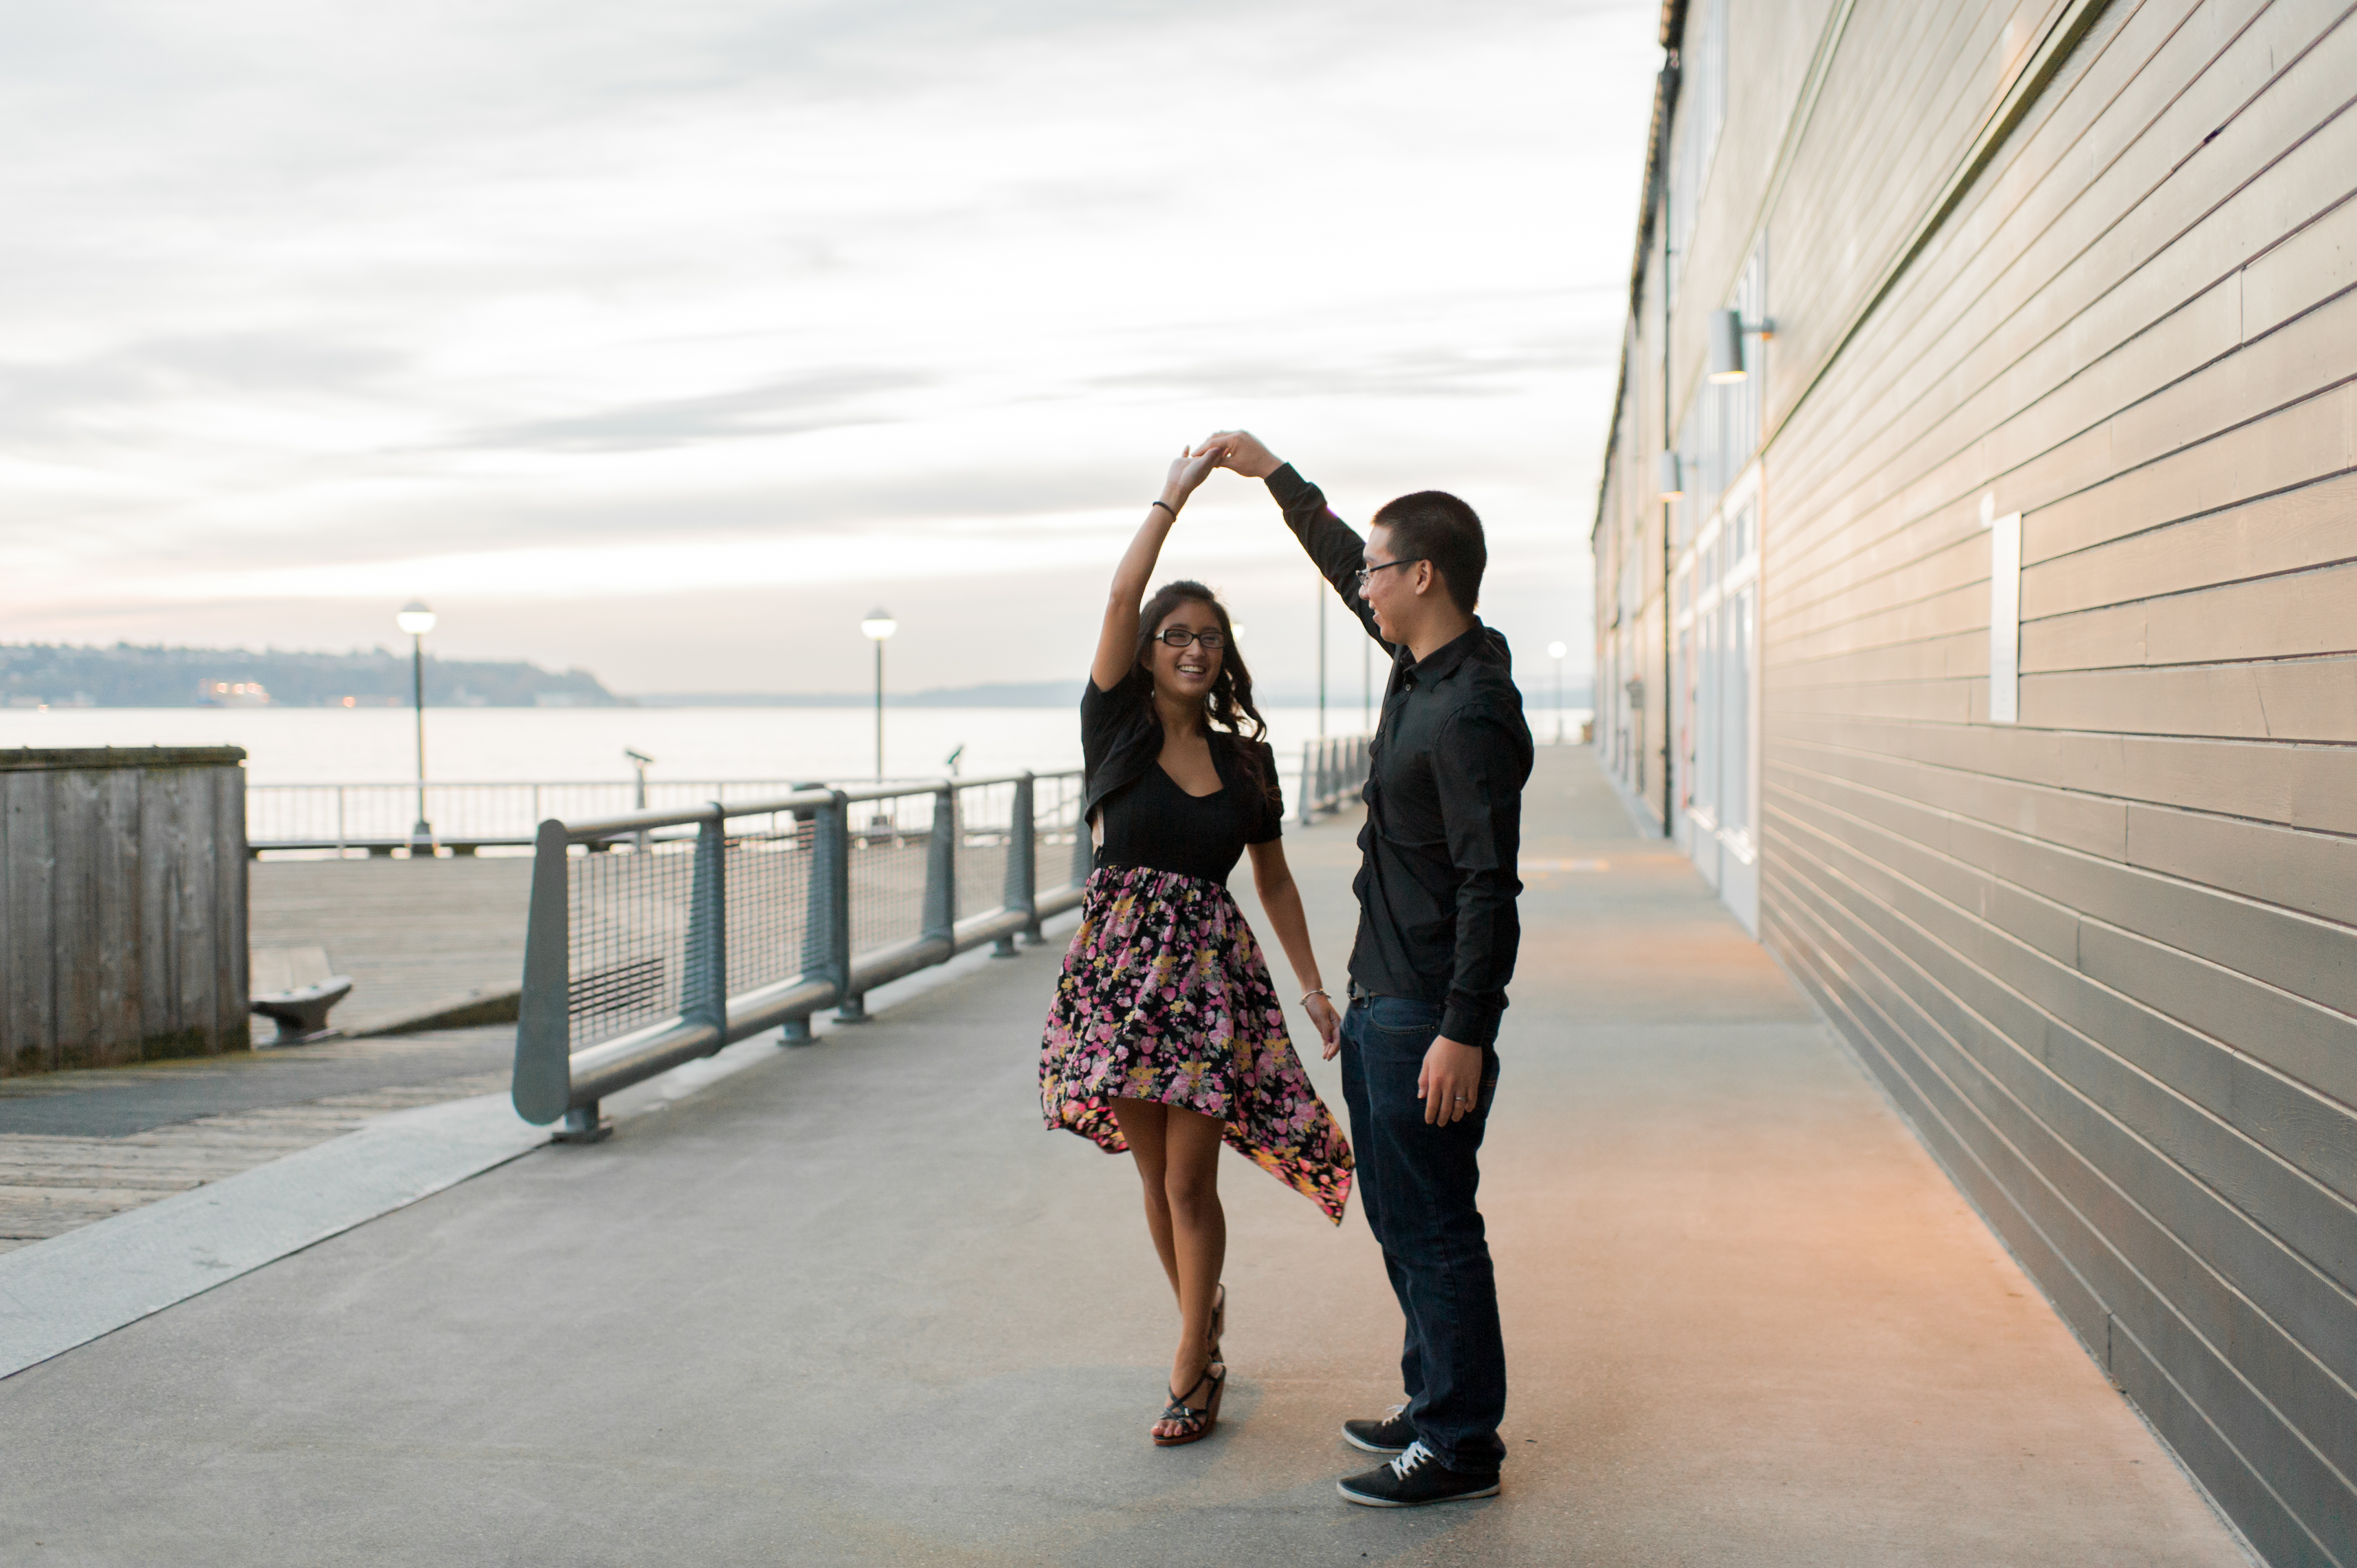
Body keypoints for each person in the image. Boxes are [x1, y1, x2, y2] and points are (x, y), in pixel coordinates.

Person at [1198, 429, 1532, 1508]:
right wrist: (1278, 483)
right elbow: (1342, 557)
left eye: (1380, 570)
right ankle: (1433, 1397)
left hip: (1427, 1015)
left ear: (1423, 575)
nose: (1364, 586)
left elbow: (1492, 887)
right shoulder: (1422, 667)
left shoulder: (1470, 711)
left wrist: (1464, 1031)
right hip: (1384, 999)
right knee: (1400, 1217)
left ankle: (1460, 1443)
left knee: (1436, 1224)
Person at [1038, 444, 1355, 1448]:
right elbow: (1127, 585)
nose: (1193, 648)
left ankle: (1188, 1362)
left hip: (1207, 986)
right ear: (1146, 649)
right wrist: (1173, 497)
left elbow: (1273, 878)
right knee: (1150, 1179)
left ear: (1226, 653)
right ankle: (1202, 1326)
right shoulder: (1113, 729)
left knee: (1189, 1181)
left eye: (1210, 637)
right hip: (1121, 979)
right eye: (1175, 635)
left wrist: (1310, 987)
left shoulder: (1246, 762)